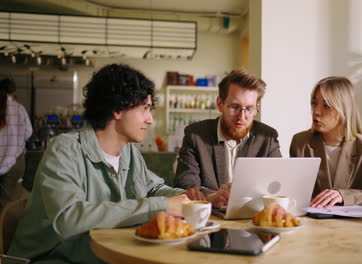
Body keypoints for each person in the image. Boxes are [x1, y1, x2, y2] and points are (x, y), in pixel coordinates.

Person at [8, 64, 192, 263]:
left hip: (99, 254)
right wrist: (161, 206)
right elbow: (68, 218)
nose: (150, 120)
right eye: (144, 109)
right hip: (51, 258)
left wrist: (196, 198)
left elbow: (153, 187)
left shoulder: (129, 152)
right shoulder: (65, 150)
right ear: (117, 110)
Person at [175, 68, 282, 208]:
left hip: (252, 219)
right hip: (211, 219)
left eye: (249, 109)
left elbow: (278, 184)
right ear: (220, 104)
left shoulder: (267, 138)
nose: (241, 117)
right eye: (235, 107)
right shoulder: (196, 135)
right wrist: (213, 196)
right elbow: (186, 184)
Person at [289, 77, 362, 209]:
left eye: (326, 105)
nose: (316, 111)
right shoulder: (300, 143)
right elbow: (292, 193)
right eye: (314, 103)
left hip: (355, 228)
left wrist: (345, 196)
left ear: (344, 110)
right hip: (311, 226)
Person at [0, 78, 32, 212]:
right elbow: (29, 132)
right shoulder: (19, 108)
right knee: (8, 203)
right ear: (13, 92)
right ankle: (4, 231)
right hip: (15, 161)